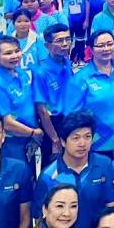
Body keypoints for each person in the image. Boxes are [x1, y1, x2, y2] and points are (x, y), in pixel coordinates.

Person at [35, 111, 114, 228]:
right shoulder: (48, 176)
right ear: (63, 142)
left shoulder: (104, 165)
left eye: (87, 137)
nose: (82, 143)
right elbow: (40, 219)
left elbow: (112, 206)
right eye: (76, 138)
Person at [65, 30, 114, 155]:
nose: (106, 49)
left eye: (110, 44)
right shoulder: (80, 78)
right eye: (100, 45)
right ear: (91, 50)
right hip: (98, 144)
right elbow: (72, 116)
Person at [0, 34, 43, 163]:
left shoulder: (21, 73)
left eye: (17, 51)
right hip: (11, 143)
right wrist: (34, 133)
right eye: (8, 53)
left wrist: (33, 135)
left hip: (29, 137)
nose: (14, 56)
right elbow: (6, 123)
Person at [34, 23, 75, 169]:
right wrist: (54, 139)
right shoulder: (41, 73)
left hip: (70, 120)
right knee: (51, 169)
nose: (65, 44)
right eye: (59, 41)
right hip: (53, 125)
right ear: (47, 45)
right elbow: (42, 111)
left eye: (68, 39)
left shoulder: (67, 63)